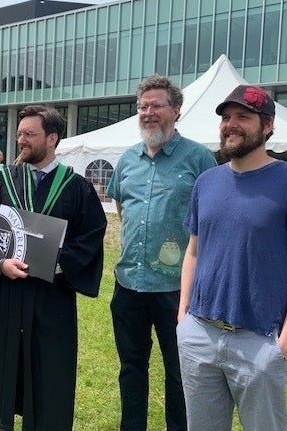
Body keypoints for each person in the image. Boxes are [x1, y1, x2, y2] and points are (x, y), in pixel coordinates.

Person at [177, 85, 287, 431]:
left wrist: (284, 342)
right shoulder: (206, 182)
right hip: (200, 335)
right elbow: (194, 251)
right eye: (227, 117)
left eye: (243, 117)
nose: (231, 124)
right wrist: (183, 317)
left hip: (260, 341)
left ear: (268, 125)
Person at [0, 105, 107, 431]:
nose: (21, 141)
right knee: (2, 377)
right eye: (19, 134)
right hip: (6, 295)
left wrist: (54, 264)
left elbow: (90, 237)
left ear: (53, 139)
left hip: (50, 300)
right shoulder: (1, 180)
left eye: (29, 134)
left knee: (48, 378)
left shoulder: (75, 187)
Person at [106, 75, 217, 431]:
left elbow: (213, 219)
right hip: (129, 286)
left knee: (179, 372)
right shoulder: (127, 160)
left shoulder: (199, 158)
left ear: (176, 111)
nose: (148, 113)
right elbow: (122, 208)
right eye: (143, 106)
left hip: (177, 291)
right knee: (131, 368)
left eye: (157, 105)